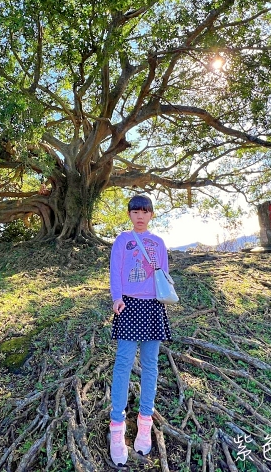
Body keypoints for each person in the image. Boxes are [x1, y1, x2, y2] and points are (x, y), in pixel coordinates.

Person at [108, 194, 172, 466]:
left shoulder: (158, 243)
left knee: (150, 365)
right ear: (130, 214)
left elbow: (164, 276)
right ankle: (117, 427)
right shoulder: (122, 240)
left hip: (153, 307)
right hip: (129, 306)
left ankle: (145, 421)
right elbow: (115, 270)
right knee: (123, 363)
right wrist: (116, 297)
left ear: (151, 214)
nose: (140, 216)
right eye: (135, 211)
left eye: (144, 211)